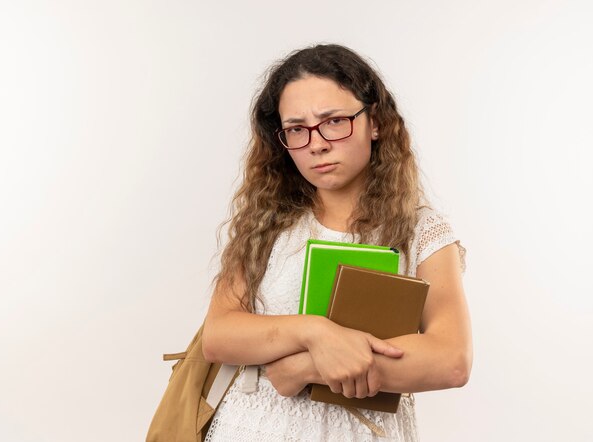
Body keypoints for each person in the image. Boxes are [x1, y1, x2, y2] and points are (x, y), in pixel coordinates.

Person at [201, 43, 472, 441]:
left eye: (333, 121)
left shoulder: (420, 231)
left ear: (374, 122)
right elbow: (219, 335)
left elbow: (452, 359)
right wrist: (315, 333)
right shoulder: (267, 224)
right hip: (254, 428)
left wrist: (307, 368)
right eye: (296, 129)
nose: (317, 143)